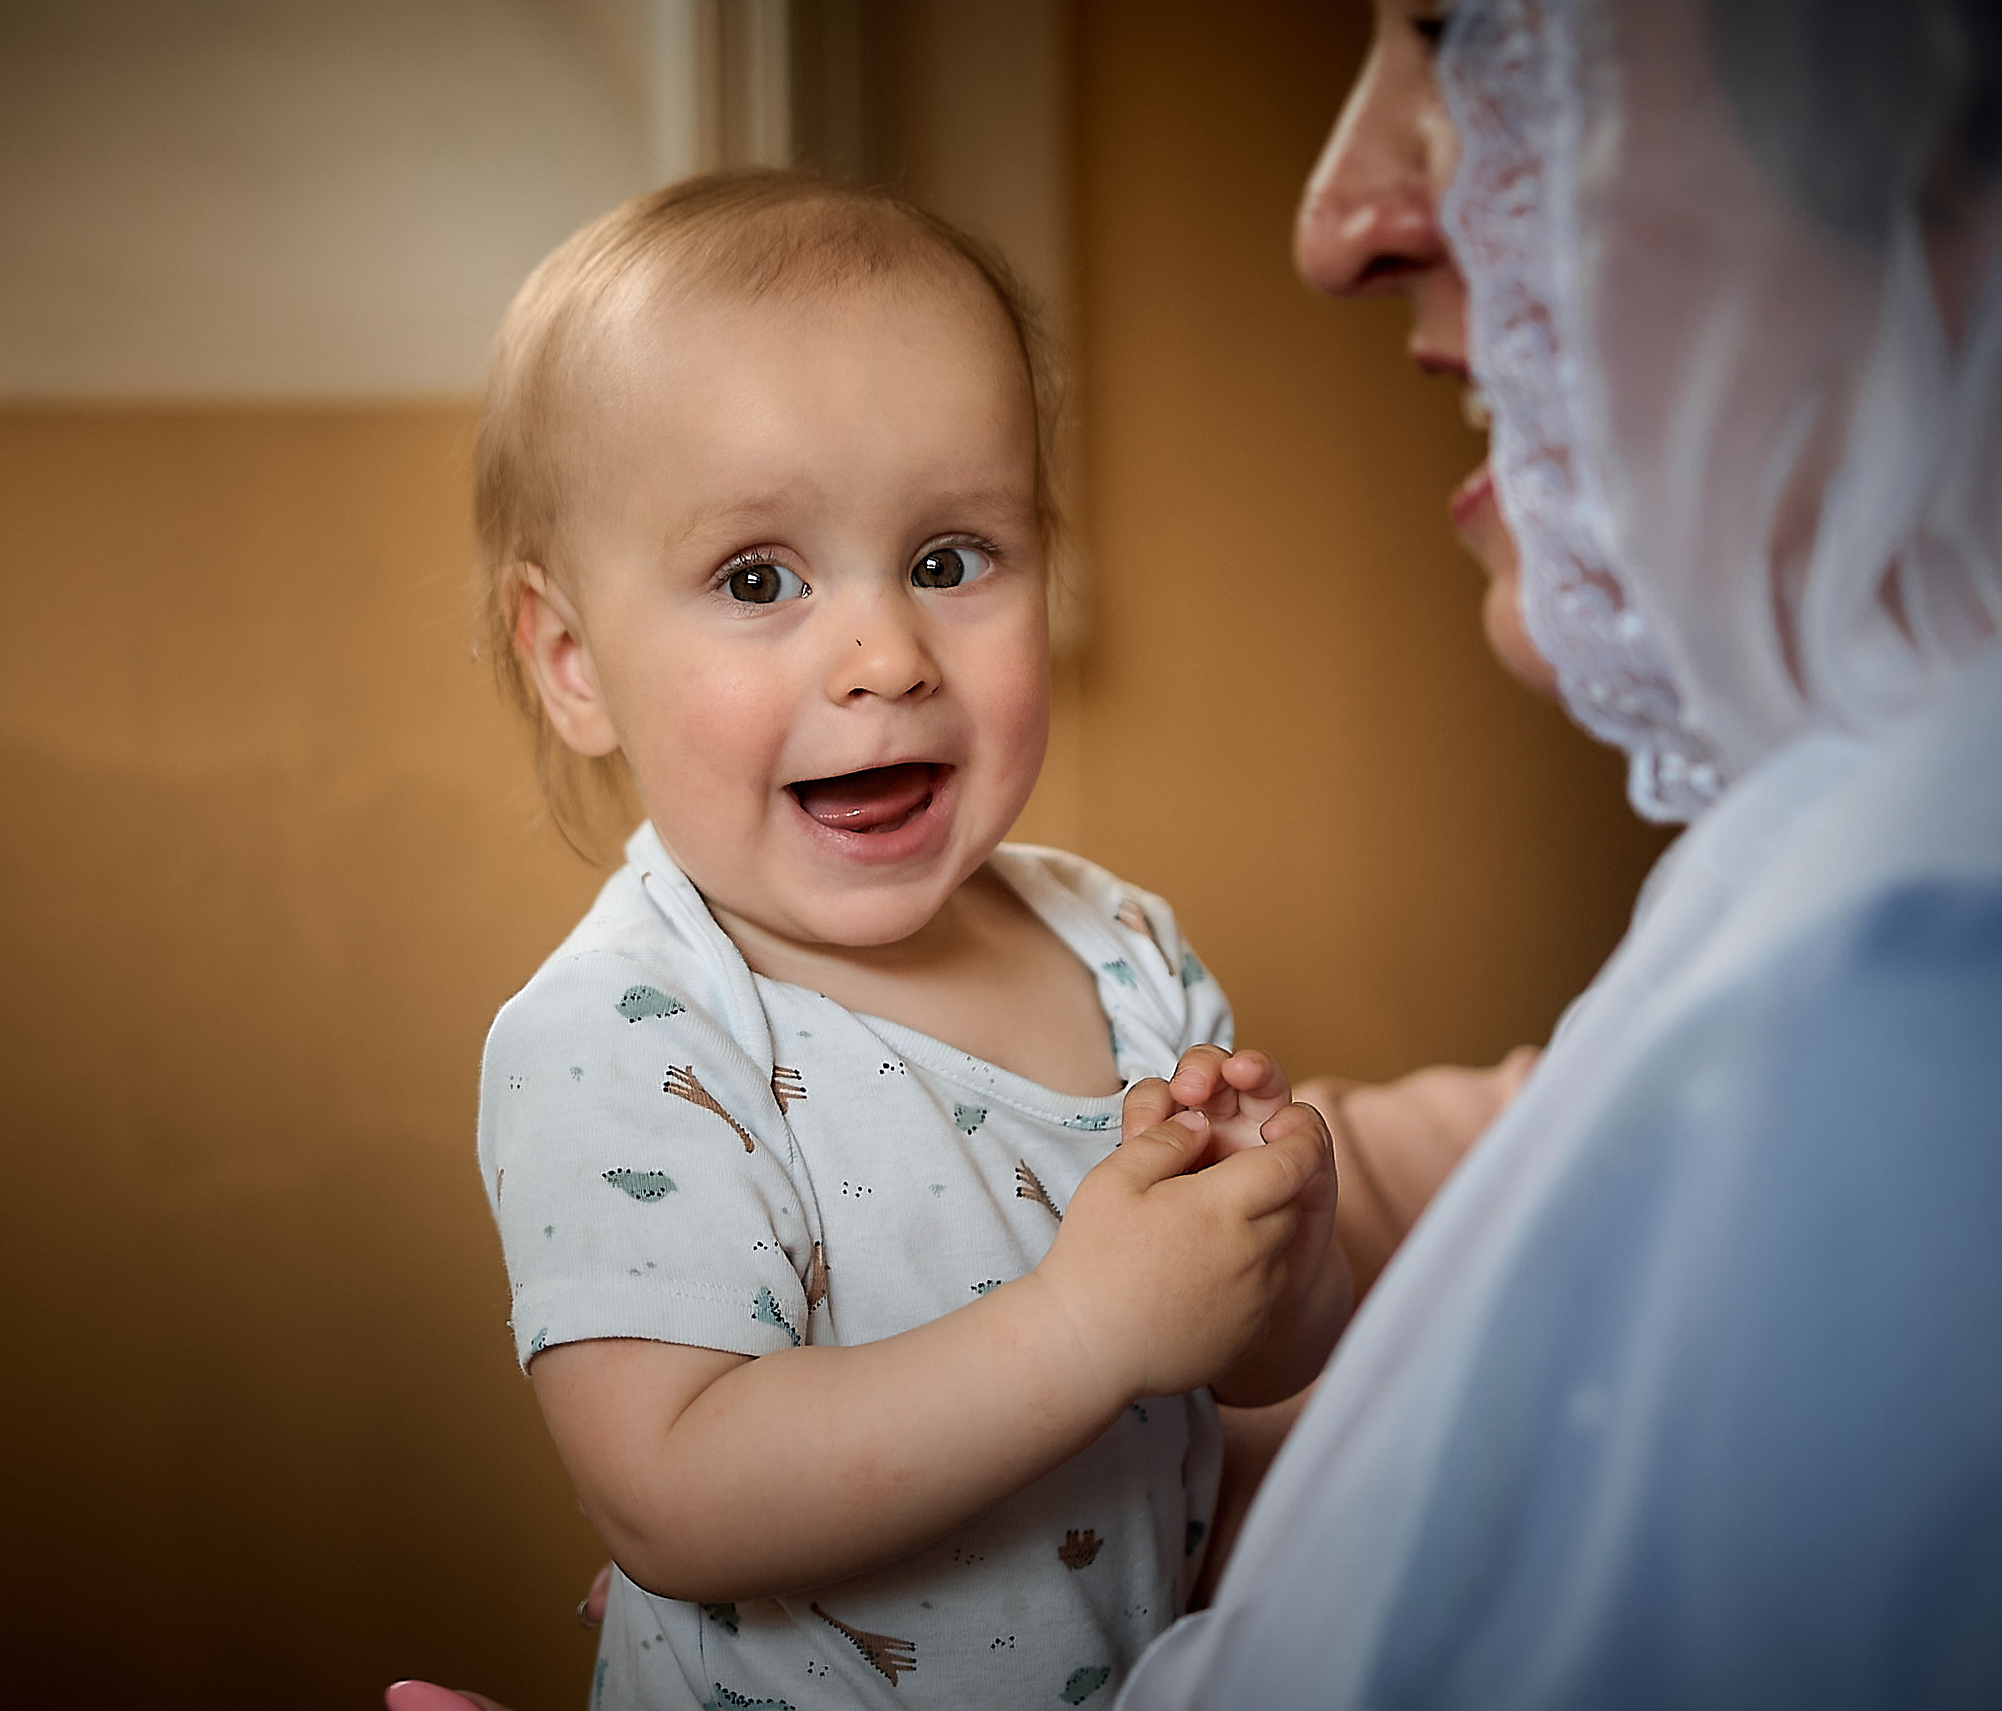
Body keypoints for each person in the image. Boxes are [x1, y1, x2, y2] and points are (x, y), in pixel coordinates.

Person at [1124, 0, 2002, 1700]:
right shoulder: (1911, 843)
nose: (1335, 229)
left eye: (1466, 31)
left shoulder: (1987, 996)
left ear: (1969, 101)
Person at [469, 171, 1350, 1711]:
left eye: (950, 558)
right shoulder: (628, 1034)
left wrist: (1283, 1254)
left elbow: (1251, 1366)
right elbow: (669, 1496)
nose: (885, 657)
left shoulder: (1122, 947)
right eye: (759, 579)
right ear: (572, 660)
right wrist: (1082, 1328)